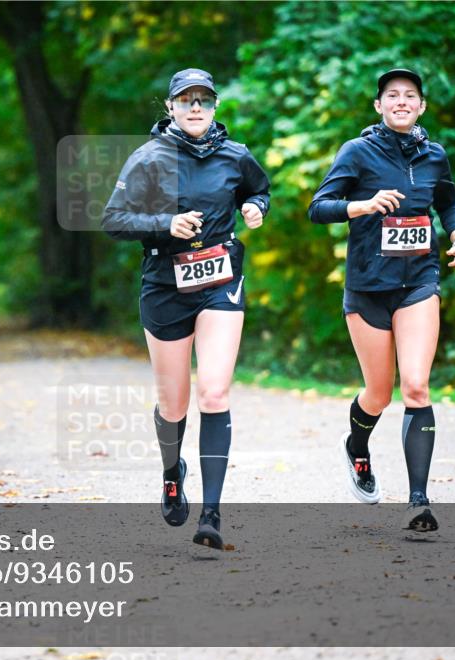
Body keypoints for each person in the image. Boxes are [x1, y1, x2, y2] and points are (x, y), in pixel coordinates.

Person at [101, 68, 270, 550]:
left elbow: (259, 190)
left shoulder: (235, 155)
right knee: (174, 403)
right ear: (170, 107)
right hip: (165, 286)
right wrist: (165, 224)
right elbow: (113, 220)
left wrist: (256, 208)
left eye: (204, 100)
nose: (196, 107)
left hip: (221, 281)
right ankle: (172, 471)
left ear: (215, 106)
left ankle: (211, 514)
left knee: (213, 393)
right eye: (186, 100)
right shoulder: (148, 158)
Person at [308, 68, 455, 532]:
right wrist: (361, 205)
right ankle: (357, 448)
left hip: (419, 280)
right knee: (379, 393)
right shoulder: (357, 151)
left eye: (410, 95)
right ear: (379, 105)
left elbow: (447, 203)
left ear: (421, 106)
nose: (402, 101)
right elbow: (318, 208)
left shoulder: (434, 155)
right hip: (368, 287)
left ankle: (418, 500)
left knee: (416, 386)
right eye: (392, 95)